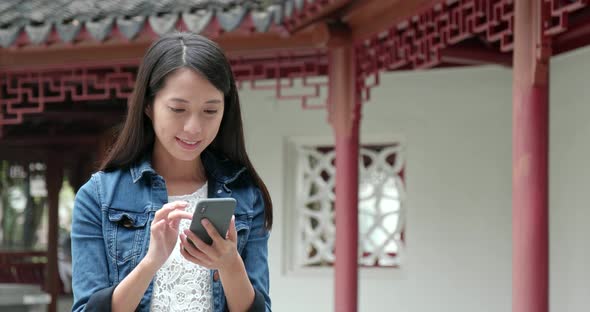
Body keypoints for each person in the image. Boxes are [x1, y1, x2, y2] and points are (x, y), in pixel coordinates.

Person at [71, 32, 273, 312]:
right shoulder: (98, 197)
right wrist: (152, 261)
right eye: (178, 109)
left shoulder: (245, 194)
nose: (194, 127)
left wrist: (229, 265)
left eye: (210, 111)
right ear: (148, 106)